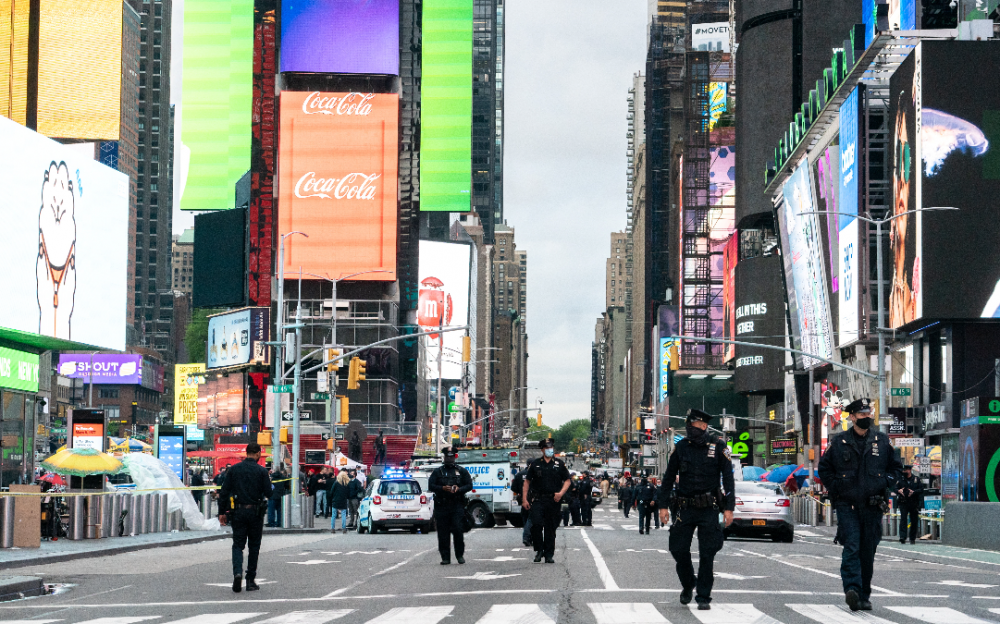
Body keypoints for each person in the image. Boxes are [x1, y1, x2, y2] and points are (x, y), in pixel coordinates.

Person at [818, 398, 903, 612]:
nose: (868, 417)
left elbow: (896, 469)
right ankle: (852, 590)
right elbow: (824, 469)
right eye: (863, 414)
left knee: (868, 551)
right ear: (852, 416)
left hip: (873, 506)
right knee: (852, 546)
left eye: (869, 414)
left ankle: (864, 595)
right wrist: (837, 487)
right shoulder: (839, 442)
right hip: (848, 505)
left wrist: (885, 483)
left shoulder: (882, 441)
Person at [657, 408, 736, 610]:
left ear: (703, 426)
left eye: (694, 426)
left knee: (707, 553)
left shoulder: (719, 446)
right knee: (678, 549)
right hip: (684, 507)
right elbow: (668, 478)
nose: (690, 429)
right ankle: (688, 583)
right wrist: (662, 505)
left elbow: (728, 479)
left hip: (709, 508)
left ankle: (703, 597)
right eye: (689, 426)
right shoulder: (681, 447)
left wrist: (729, 507)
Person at [218, 443, 272, 593]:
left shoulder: (234, 470)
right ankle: (250, 580)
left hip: (238, 512)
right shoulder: (262, 471)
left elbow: (224, 492)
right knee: (254, 546)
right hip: (255, 513)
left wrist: (221, 512)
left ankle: (237, 573)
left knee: (238, 545)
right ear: (258, 453)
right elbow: (269, 492)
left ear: (246, 453)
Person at [523, 438, 571, 564]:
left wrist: (561, 493)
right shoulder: (535, 464)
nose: (550, 449)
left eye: (551, 447)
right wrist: (524, 499)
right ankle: (539, 550)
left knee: (550, 528)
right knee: (536, 525)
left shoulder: (559, 464)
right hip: (538, 499)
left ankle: (549, 554)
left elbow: (567, 480)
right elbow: (527, 482)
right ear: (542, 449)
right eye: (547, 447)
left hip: (553, 500)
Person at [428, 446, 473, 564]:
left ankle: (459, 555)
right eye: (448, 457)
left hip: (457, 505)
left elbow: (469, 485)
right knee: (443, 533)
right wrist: (442, 488)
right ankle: (445, 557)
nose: (450, 459)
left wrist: (459, 489)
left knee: (458, 530)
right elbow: (431, 486)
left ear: (454, 457)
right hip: (441, 506)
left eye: (452, 456)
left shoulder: (461, 471)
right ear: (444, 457)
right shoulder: (438, 472)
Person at [896, 464, 923, 544]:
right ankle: (902, 537)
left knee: (914, 520)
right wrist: (898, 491)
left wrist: (914, 492)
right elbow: (894, 488)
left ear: (910, 470)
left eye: (906, 470)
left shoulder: (916, 479)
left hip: (913, 502)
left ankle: (912, 538)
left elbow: (921, 489)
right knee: (903, 519)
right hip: (903, 502)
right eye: (904, 470)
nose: (905, 471)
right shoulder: (900, 479)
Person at [511, 466, 532, 547]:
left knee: (526, 519)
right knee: (532, 520)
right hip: (533, 499)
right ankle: (527, 538)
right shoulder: (535, 474)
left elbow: (513, 488)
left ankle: (528, 538)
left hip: (523, 500)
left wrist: (520, 492)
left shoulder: (519, 474)